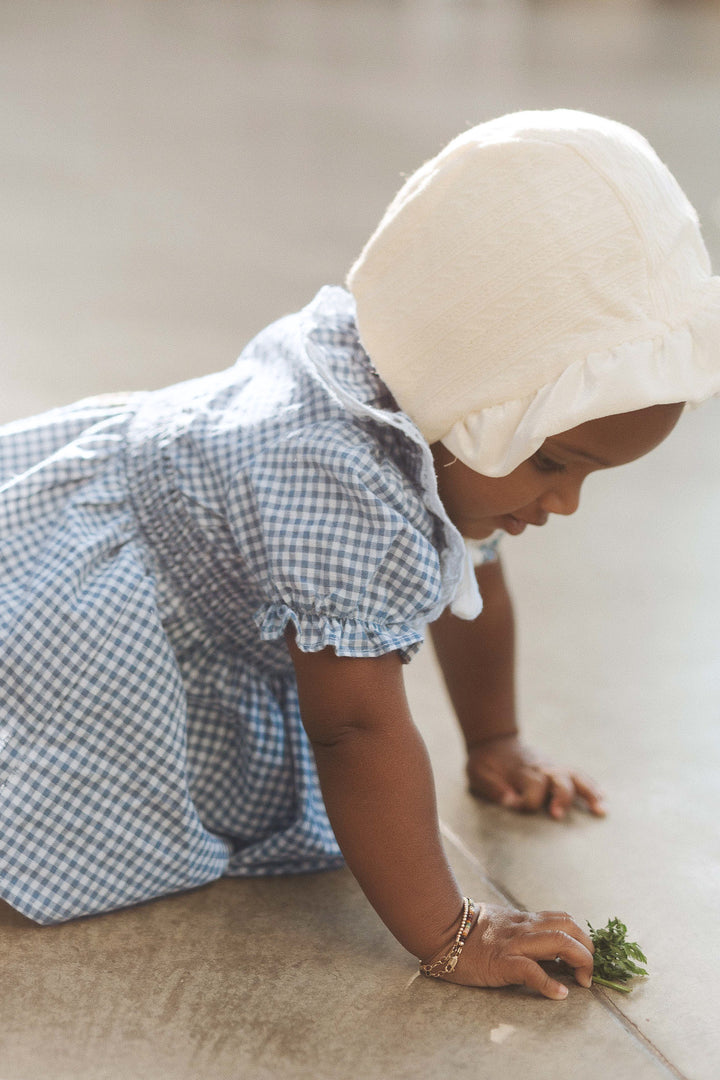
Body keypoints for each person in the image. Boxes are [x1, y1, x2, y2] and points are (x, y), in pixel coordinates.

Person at [0, 110, 718, 1000]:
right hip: (84, 615)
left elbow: (476, 566)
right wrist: (451, 933)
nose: (564, 500)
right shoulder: (345, 490)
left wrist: (496, 740)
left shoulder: (431, 397)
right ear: (479, 399)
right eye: (553, 462)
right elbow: (354, 728)